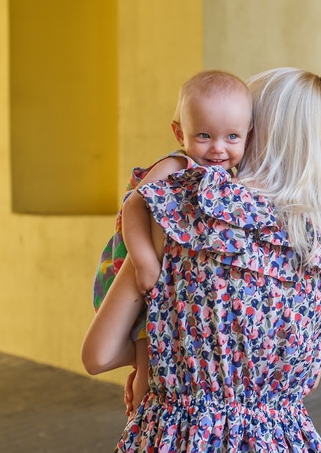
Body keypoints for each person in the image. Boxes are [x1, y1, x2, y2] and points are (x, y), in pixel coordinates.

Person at [82, 67, 321, 452]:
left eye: (237, 130)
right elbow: (307, 381)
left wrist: (163, 358)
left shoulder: (186, 217)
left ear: (257, 133)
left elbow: (98, 355)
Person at [90, 69, 253, 418]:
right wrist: (145, 260)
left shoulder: (229, 177)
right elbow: (135, 203)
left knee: (154, 357)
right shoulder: (178, 164)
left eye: (232, 137)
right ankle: (140, 418)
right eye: (205, 135)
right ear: (180, 132)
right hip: (134, 266)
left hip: (166, 288)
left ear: (247, 136)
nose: (218, 148)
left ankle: (143, 413)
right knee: (148, 358)